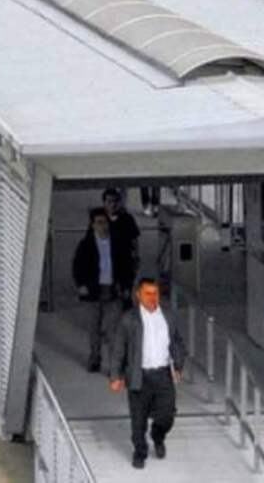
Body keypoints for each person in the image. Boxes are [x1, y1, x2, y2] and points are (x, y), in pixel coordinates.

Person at [109, 277, 186, 470]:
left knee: (167, 414)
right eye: (148, 293)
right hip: (139, 376)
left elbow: (176, 343)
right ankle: (140, 452)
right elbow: (118, 349)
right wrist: (115, 376)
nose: (152, 297)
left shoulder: (168, 316)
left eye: (155, 293)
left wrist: (178, 366)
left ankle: (158, 436)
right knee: (138, 419)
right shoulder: (129, 319)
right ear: (138, 295)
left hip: (162, 374)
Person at [72, 208, 129, 373]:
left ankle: (115, 366)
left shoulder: (118, 243)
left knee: (113, 331)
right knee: (94, 329)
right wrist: (80, 284)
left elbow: (126, 266)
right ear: (92, 225)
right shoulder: (86, 245)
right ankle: (95, 358)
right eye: (99, 223)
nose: (103, 226)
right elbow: (77, 266)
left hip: (113, 291)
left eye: (105, 222)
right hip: (93, 292)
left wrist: (125, 286)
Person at [102, 188, 140, 301]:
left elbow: (134, 239)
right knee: (109, 294)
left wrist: (136, 256)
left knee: (126, 290)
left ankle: (125, 299)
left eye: (115, 201)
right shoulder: (100, 219)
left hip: (125, 260)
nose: (112, 205)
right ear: (104, 203)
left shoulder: (127, 219)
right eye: (109, 201)